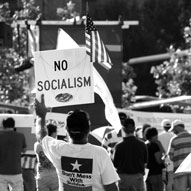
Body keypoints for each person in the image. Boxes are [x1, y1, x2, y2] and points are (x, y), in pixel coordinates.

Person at [34, 94, 119, 191]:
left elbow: (41, 137)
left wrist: (40, 116)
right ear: (88, 129)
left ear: (66, 130)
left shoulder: (58, 149)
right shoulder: (100, 154)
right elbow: (111, 187)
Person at [113, 118, 148, 191]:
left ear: (124, 129)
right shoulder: (142, 144)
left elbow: (115, 164)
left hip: (123, 178)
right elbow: (145, 163)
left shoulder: (119, 146)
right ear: (134, 128)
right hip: (138, 177)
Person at [0, 117, 27, 191]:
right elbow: (24, 150)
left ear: (3, 125)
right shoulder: (20, 136)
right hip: (16, 171)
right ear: (14, 125)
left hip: (1, 172)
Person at [34, 122, 59, 191]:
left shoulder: (37, 144)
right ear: (53, 133)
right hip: (55, 176)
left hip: (42, 176)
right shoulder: (56, 144)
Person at [168, 119, 191, 191]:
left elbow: (170, 157)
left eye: (174, 129)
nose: (173, 132)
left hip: (180, 171)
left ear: (177, 127)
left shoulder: (174, 139)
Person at [158, 119, 174, 191]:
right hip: (172, 161)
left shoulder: (159, 136)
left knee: (164, 182)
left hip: (163, 161)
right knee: (171, 181)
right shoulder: (173, 136)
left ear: (162, 126)